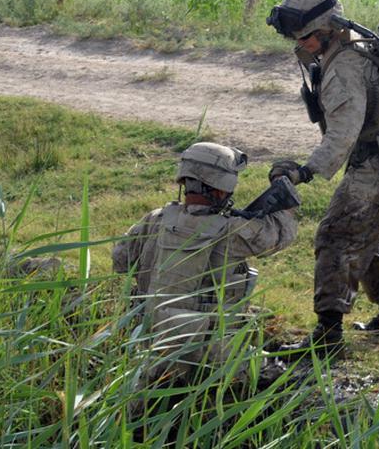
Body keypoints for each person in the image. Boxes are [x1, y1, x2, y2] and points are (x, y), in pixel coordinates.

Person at [265, 0, 379, 359]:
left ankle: (327, 337)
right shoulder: (357, 46)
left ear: (329, 28)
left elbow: (343, 132)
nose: (301, 44)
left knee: (335, 237)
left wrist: (305, 171)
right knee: (363, 235)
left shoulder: (345, 66)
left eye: (307, 37)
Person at [112, 142, 298, 402]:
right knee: (284, 382)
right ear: (223, 188)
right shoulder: (233, 230)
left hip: (155, 353)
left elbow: (120, 262)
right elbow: (282, 234)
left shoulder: (155, 220)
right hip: (215, 362)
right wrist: (283, 184)